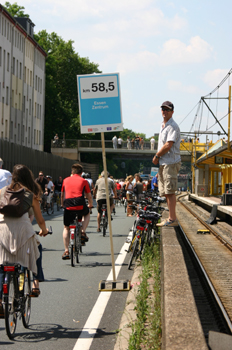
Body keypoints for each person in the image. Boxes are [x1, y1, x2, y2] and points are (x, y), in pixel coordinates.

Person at [0, 164, 49, 316]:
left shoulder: (2, 191)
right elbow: (40, 220)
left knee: (1, 265)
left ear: (12, 177)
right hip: (23, 231)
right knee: (37, 249)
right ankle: (36, 280)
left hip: (2, 230)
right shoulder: (30, 194)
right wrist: (44, 230)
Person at [152, 101, 181, 227]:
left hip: (170, 162)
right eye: (163, 109)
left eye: (167, 109)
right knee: (166, 191)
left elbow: (168, 145)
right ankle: (171, 217)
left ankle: (172, 219)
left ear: (172, 112)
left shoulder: (172, 126)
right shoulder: (163, 125)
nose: (164, 111)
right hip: (165, 162)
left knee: (170, 191)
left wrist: (157, 155)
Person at [61, 164, 93, 259]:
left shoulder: (65, 180)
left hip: (68, 204)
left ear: (72, 172)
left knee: (66, 227)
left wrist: (62, 204)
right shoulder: (84, 181)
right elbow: (89, 195)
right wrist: (90, 204)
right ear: (81, 173)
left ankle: (66, 250)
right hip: (79, 203)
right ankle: (82, 231)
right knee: (87, 213)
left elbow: (62, 194)